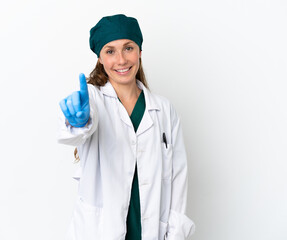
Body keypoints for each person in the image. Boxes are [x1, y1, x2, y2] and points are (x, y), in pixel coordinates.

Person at [57, 14, 195, 240]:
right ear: (100, 58)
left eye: (128, 48)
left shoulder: (163, 109)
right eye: (110, 51)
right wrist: (78, 122)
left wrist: (175, 234)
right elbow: (77, 130)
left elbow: (179, 177)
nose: (121, 60)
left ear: (140, 51)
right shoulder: (93, 100)